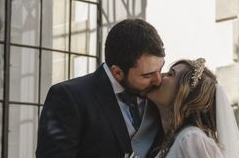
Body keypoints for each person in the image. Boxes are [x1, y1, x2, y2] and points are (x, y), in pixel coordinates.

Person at [36, 18, 166, 158]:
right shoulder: (69, 97)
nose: (158, 80)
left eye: (161, 69)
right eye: (147, 75)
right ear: (117, 72)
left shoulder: (161, 95)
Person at [146, 58, 239, 158]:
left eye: (171, 74)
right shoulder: (166, 143)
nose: (160, 76)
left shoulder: (191, 139)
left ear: (184, 94)